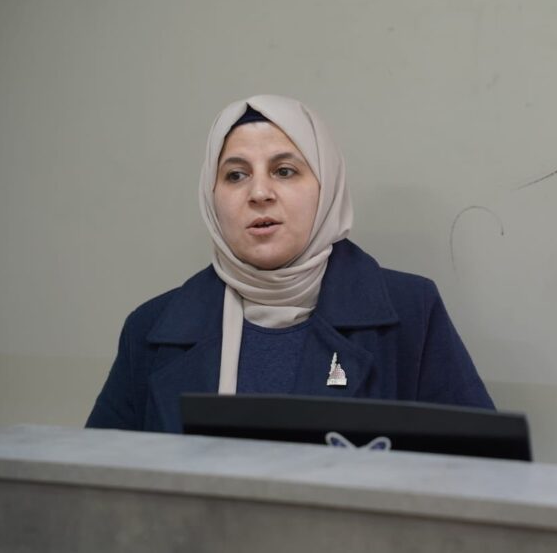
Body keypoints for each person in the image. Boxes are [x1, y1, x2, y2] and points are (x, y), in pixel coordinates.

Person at [87, 95, 493, 433]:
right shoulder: (151, 329)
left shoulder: (411, 311)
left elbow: (475, 475)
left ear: (327, 188)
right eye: (235, 176)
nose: (259, 193)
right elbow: (100, 484)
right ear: (211, 198)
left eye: (284, 171)